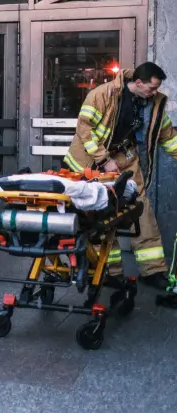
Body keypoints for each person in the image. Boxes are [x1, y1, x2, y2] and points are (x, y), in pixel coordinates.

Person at [64, 62, 177, 289]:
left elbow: (168, 136)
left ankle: (153, 270)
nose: (155, 93)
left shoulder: (153, 103)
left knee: (141, 211)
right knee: (99, 214)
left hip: (125, 159)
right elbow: (84, 129)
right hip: (89, 163)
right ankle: (108, 272)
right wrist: (104, 160)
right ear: (138, 82)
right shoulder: (103, 94)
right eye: (152, 88)